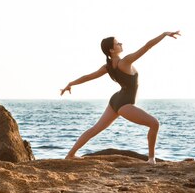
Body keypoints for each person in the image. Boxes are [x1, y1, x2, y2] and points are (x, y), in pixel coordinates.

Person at [61, 31, 181, 164]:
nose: (121, 44)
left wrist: (71, 84)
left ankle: (70, 154)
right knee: (154, 123)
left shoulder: (108, 66)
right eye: (117, 43)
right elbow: (147, 46)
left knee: (95, 129)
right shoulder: (125, 61)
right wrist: (164, 34)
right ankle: (151, 159)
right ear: (112, 50)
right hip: (124, 104)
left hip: (116, 100)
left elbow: (88, 77)